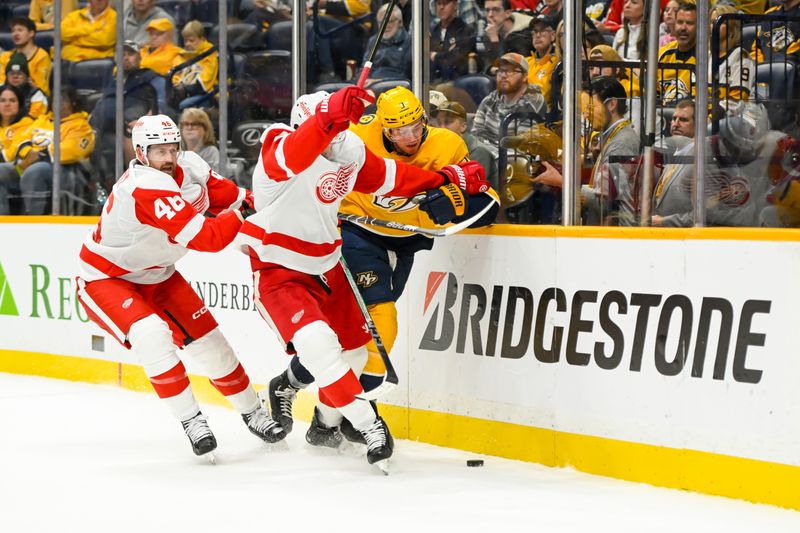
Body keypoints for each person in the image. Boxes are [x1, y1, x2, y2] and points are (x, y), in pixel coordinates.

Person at [239, 85, 490, 468]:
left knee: (355, 350)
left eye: (337, 134)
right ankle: (367, 423)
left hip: (327, 264)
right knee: (325, 345)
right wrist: (327, 116)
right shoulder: (278, 144)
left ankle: (319, 416)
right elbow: (295, 153)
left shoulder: (346, 150)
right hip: (281, 268)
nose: (333, 143)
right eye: (327, 133)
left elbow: (391, 177)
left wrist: (443, 179)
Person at [75, 114, 285, 458]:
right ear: (142, 153)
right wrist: (246, 214)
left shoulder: (191, 167)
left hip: (159, 274)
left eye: (173, 148)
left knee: (213, 346)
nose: (169, 158)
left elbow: (234, 198)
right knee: (152, 335)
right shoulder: (144, 186)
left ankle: (253, 412)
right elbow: (208, 238)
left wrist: (284, 203)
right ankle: (192, 420)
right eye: (159, 151)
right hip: (107, 279)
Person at [533, 76, 640, 225]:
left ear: (612, 104)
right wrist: (588, 159)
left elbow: (606, 203)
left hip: (615, 237)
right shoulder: (613, 137)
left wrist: (563, 183)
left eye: (590, 107)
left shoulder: (622, 142)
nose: (585, 115)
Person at [18, 86, 95, 215]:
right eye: (55, 100)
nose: (57, 104)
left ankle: (33, 220)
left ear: (73, 103)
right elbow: (21, 138)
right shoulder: (42, 120)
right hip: (28, 163)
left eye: (63, 101)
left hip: (67, 172)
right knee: (3, 172)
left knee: (36, 171)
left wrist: (40, 156)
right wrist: (27, 153)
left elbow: (72, 150)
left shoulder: (81, 125)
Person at [471, 52, 547, 156]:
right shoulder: (491, 99)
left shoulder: (533, 101)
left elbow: (522, 148)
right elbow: (476, 134)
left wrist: (488, 155)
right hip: (487, 158)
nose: (503, 75)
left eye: (511, 71)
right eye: (501, 70)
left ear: (525, 76)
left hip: (516, 165)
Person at [436, 99, 499, 190]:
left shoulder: (478, 151)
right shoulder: (444, 147)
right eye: (439, 123)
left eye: (448, 122)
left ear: (463, 126)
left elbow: (471, 188)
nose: (441, 128)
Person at [0, 84, 35, 215]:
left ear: (19, 104)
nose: (7, 104)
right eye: (2, 100)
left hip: (19, 170)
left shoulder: (28, 124)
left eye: (12, 100)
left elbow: (12, 154)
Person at [358, 4, 411, 82]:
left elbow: (407, 77)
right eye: (381, 22)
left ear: (400, 22)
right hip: (370, 85)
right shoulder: (373, 41)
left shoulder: (410, 42)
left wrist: (379, 81)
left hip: (397, 87)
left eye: (390, 22)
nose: (385, 26)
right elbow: (364, 69)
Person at [172, 21, 218, 109]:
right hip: (184, 93)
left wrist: (187, 90)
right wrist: (177, 87)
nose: (187, 44)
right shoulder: (182, 55)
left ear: (202, 39)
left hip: (205, 94)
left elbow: (207, 79)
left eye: (191, 40)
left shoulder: (210, 53)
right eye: (185, 41)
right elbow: (176, 75)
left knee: (184, 105)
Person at [0, 17, 52, 96]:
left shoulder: (41, 56)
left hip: (34, 98)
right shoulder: (5, 57)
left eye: (20, 30)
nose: (15, 34)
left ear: (31, 33)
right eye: (13, 31)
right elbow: (1, 83)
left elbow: (42, 89)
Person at [657, 1, 697, 103]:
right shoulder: (662, 54)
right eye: (679, 22)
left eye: (689, 23)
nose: (683, 28)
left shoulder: (707, 57)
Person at [430, 0, 477, 83]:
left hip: (457, 82)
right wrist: (447, 53)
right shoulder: (432, 31)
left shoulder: (465, 30)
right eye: (438, 4)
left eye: (445, 3)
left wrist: (435, 56)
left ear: (455, 5)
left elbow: (455, 59)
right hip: (433, 80)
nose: (441, 7)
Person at [481, 0, 534, 66]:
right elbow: (488, 66)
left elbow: (512, 69)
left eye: (496, 10)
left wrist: (494, 41)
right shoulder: (490, 33)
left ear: (508, 13)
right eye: (487, 10)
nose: (490, 15)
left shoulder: (524, 35)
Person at [4, 53, 48, 119]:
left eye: (19, 74)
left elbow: (35, 118)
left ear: (27, 77)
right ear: (7, 77)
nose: (15, 76)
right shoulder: (1, 92)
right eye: (12, 74)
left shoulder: (36, 94)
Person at [527, 15, 559, 106]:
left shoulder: (557, 63)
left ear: (553, 36)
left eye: (542, 31)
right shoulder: (527, 61)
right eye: (535, 31)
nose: (538, 35)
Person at [179, 108, 223, 173]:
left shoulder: (211, 152)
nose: (189, 127)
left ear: (205, 129)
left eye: (194, 124)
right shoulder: (177, 152)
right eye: (186, 124)